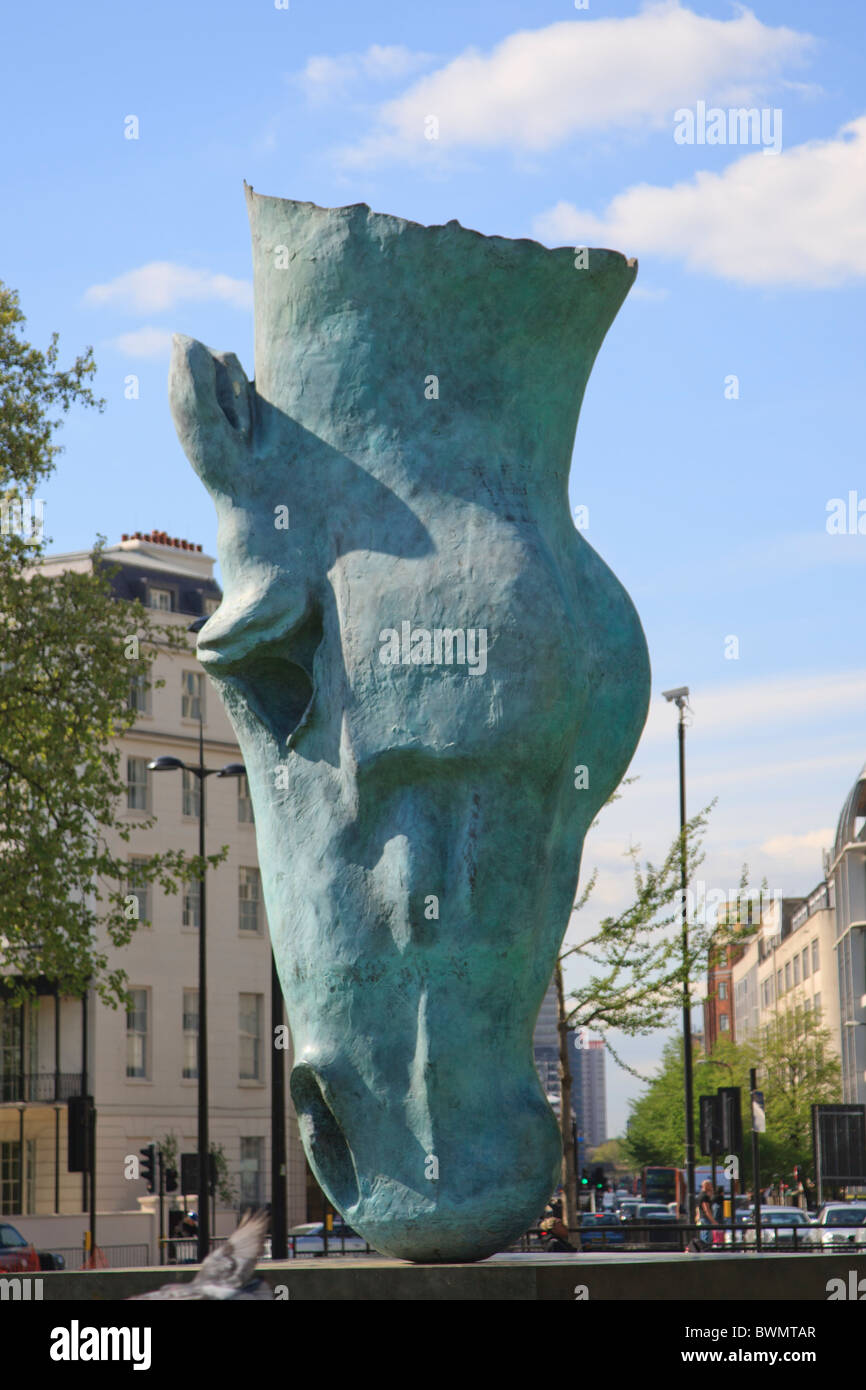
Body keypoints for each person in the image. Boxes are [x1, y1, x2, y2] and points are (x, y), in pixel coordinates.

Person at [697, 1179, 719, 1249]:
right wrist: (713, 1221)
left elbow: (698, 1208)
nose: (712, 1187)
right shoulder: (704, 1196)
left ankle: (703, 1250)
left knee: (703, 1235)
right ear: (706, 1186)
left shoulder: (700, 1195)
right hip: (706, 1219)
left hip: (702, 1218)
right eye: (710, 1185)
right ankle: (705, 1251)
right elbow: (707, 1210)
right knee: (707, 1237)